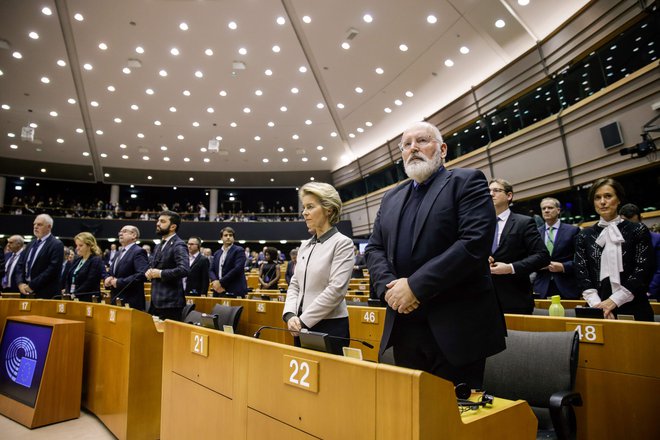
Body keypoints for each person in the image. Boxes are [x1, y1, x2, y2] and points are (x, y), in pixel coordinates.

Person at [365, 121, 505, 388]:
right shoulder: (391, 198)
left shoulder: (466, 181)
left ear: (442, 149)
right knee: (413, 413)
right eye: (406, 145)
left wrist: (415, 287)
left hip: (456, 326)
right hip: (405, 323)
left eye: (422, 141)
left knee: (454, 418)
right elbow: (374, 248)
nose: (413, 148)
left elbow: (473, 243)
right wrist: (389, 290)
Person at [283, 182, 354, 356]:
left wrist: (304, 320)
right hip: (299, 324)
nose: (304, 212)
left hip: (330, 326)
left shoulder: (342, 243)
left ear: (328, 209)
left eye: (310, 207)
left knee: (331, 380)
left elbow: (336, 290)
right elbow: (295, 284)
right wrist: (291, 314)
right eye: (304, 207)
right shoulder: (305, 245)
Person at [575, 184, 654, 321]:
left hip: (633, 305)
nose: (602, 202)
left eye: (608, 196)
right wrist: (598, 306)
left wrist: (613, 301)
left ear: (618, 200)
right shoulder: (584, 235)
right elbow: (582, 272)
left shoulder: (637, 230)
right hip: (597, 307)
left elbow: (643, 269)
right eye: (597, 198)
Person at [488, 178, 550, 314]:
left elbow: (542, 256)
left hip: (515, 298)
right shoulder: (481, 225)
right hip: (485, 299)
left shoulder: (524, 222)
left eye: (496, 190)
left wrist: (510, 268)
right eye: (488, 191)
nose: (491, 194)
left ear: (509, 196)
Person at [533, 197, 581, 299]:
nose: (546, 210)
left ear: (558, 210)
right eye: (543, 208)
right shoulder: (535, 233)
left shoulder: (572, 231)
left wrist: (563, 266)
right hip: (541, 287)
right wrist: (536, 264)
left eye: (550, 207)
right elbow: (530, 257)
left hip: (566, 285)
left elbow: (581, 260)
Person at [145, 210, 189, 321]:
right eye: (158, 221)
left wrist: (160, 273)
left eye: (162, 221)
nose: (158, 223)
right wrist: (149, 272)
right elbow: (154, 266)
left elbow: (184, 269)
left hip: (171, 304)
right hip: (156, 301)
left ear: (172, 226)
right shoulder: (158, 245)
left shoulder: (179, 244)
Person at [16, 214, 64, 298]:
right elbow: (20, 264)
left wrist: (32, 285)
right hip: (25, 291)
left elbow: (52, 269)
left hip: (45, 292)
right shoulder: (30, 244)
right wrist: (20, 283)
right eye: (34, 224)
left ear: (49, 227)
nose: (35, 227)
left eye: (39, 224)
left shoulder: (56, 244)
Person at [620, 203, 660, 300]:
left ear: (640, 219)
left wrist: (649, 291)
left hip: (651, 292)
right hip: (625, 294)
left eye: (634, 224)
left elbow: (659, 270)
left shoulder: (656, 239)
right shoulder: (618, 241)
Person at [104, 226, 149, 310]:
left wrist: (119, 282)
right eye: (120, 232)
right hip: (116, 298)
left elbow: (142, 274)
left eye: (124, 231)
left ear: (133, 235)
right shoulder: (118, 253)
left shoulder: (138, 251)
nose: (120, 233)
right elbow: (111, 271)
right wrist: (108, 277)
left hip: (131, 301)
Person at [209, 227, 248, 297]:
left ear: (233, 238)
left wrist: (220, 282)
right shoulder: (217, 253)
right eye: (225, 235)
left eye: (230, 235)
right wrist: (215, 281)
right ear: (221, 238)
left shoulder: (239, 250)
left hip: (234, 289)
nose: (228, 237)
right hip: (218, 289)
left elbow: (237, 269)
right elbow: (211, 270)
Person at [64, 232, 104, 300]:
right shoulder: (77, 260)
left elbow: (90, 282)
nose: (77, 248)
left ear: (89, 246)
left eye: (80, 245)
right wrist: (68, 293)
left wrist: (75, 294)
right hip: (73, 297)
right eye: (77, 245)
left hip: (88, 299)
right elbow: (69, 277)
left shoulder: (96, 260)